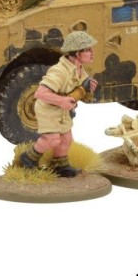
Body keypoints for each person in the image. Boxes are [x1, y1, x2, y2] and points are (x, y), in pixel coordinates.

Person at [19, 31, 99, 177]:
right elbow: (40, 93)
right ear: (77, 53)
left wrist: (86, 88)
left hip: (61, 110)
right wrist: (62, 101)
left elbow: (76, 92)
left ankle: (60, 166)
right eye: (88, 50)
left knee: (67, 140)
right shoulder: (59, 71)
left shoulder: (80, 70)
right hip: (48, 109)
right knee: (52, 139)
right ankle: (28, 158)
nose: (92, 53)